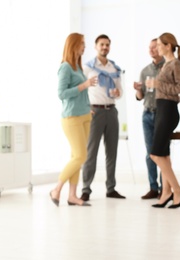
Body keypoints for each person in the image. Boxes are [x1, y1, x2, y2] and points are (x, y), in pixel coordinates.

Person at [50, 33, 98, 207]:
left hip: (85, 115)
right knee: (80, 156)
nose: (84, 47)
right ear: (73, 45)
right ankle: (57, 189)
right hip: (71, 117)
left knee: (76, 156)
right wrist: (84, 85)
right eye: (82, 44)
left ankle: (72, 195)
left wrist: (88, 108)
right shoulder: (65, 68)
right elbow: (61, 94)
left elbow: (81, 93)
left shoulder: (78, 67)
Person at [80, 34, 126, 201]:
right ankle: (85, 189)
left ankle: (111, 188)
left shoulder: (114, 69)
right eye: (102, 44)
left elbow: (120, 92)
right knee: (90, 152)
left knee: (111, 152)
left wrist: (117, 93)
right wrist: (86, 109)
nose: (104, 47)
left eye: (107, 45)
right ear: (96, 46)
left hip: (111, 111)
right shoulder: (88, 68)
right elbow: (80, 89)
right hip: (95, 112)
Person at [150, 32, 180, 208]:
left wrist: (158, 85)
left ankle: (178, 190)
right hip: (161, 109)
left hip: (168, 110)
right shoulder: (165, 65)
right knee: (163, 155)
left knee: (155, 154)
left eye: (159, 45)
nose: (157, 48)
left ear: (168, 46)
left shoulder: (176, 64)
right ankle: (166, 193)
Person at [133, 38, 165, 199]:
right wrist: (138, 90)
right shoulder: (145, 71)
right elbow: (140, 97)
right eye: (150, 48)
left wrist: (160, 85)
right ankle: (154, 187)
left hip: (162, 113)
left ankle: (165, 189)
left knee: (162, 153)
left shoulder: (168, 67)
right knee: (150, 153)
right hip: (147, 113)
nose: (152, 50)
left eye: (155, 47)